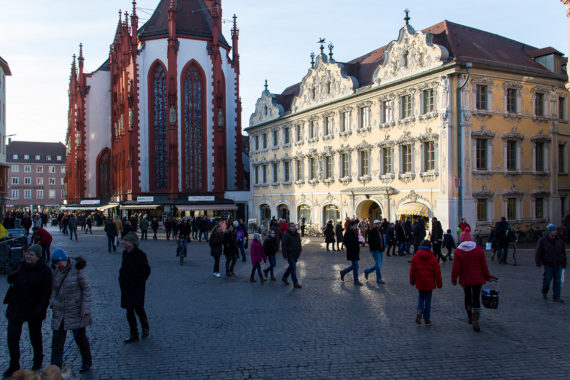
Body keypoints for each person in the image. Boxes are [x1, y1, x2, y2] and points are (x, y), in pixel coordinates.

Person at [3, 245, 53, 378]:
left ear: (38, 257)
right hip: (16, 307)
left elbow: (47, 291)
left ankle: (37, 363)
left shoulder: (45, 271)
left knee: (35, 337)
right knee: (12, 337)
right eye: (28, 254)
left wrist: (41, 307)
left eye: (32, 255)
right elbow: (10, 279)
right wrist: (12, 272)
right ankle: (14, 364)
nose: (28, 256)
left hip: (34, 308)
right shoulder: (20, 265)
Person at [49, 249, 93, 373]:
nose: (58, 267)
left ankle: (87, 361)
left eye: (59, 263)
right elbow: (53, 288)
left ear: (64, 260)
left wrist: (85, 307)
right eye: (55, 264)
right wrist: (52, 301)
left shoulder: (77, 269)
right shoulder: (56, 270)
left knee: (80, 338)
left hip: (75, 310)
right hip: (60, 310)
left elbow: (86, 289)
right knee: (57, 341)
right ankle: (55, 368)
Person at [451, 228, 496, 332]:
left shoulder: (458, 251)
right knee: (476, 297)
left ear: (462, 239)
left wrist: (454, 279)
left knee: (468, 296)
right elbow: (483, 265)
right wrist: (487, 276)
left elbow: (456, 268)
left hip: (466, 278)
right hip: (478, 278)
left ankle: (470, 316)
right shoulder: (478, 249)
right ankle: (476, 319)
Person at [119, 232, 151, 343]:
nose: (123, 242)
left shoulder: (140, 254)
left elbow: (146, 271)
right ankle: (134, 333)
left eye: (125, 241)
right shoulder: (125, 253)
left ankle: (145, 327)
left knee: (139, 309)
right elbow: (123, 268)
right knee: (129, 311)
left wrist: (138, 281)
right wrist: (121, 279)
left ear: (132, 243)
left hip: (137, 287)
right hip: (126, 287)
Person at [410, 240, 442, 326]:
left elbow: (412, 271)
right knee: (428, 300)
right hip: (429, 283)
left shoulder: (416, 256)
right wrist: (439, 283)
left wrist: (412, 281)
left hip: (420, 281)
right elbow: (437, 272)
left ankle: (419, 310)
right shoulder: (432, 257)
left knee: (421, 297)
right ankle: (427, 319)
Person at [535, 224, 567, 302]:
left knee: (557, 281)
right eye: (554, 230)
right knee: (547, 279)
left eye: (556, 230)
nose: (555, 232)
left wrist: (564, 263)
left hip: (558, 263)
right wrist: (538, 262)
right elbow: (538, 252)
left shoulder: (560, 241)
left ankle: (556, 297)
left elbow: (563, 252)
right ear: (549, 231)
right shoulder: (542, 240)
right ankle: (544, 291)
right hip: (548, 264)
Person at [340, 221, 363, 286]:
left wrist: (359, 242)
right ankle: (356, 280)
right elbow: (345, 241)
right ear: (351, 226)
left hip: (355, 251)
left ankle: (343, 272)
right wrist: (350, 247)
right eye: (355, 226)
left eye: (356, 226)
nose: (356, 227)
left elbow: (355, 241)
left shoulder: (354, 232)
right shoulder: (349, 232)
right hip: (352, 251)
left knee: (355, 266)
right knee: (356, 265)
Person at [364, 220, 386, 284]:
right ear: (374, 225)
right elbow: (370, 241)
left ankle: (367, 271)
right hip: (375, 251)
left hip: (381, 250)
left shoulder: (380, 231)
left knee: (378, 264)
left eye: (379, 224)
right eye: (377, 224)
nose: (378, 225)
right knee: (378, 265)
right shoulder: (372, 231)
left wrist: (383, 247)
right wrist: (375, 248)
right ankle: (379, 279)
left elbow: (382, 239)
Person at [281, 222, 303, 288]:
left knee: (291, 267)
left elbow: (299, 243)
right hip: (289, 254)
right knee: (293, 268)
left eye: (294, 226)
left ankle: (284, 277)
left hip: (296, 254)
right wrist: (285, 256)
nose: (293, 228)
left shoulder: (297, 234)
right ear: (289, 227)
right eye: (292, 227)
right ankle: (295, 283)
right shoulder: (286, 235)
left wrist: (300, 250)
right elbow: (284, 246)